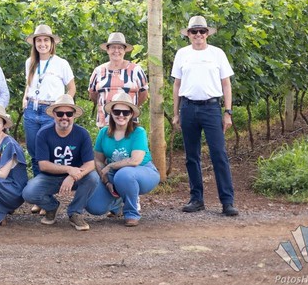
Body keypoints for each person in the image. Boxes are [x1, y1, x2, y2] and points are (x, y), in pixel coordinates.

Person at [172, 16, 238, 217]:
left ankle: (227, 201)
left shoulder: (217, 54)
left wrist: (227, 112)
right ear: (188, 34)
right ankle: (196, 199)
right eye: (194, 31)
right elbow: (177, 85)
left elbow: (226, 84)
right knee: (192, 156)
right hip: (188, 108)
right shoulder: (182, 54)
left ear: (207, 33)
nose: (198, 35)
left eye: (202, 31)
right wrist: (176, 113)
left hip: (211, 108)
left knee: (219, 154)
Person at [21, 94, 100, 230]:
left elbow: (90, 164)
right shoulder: (43, 133)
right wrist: (68, 169)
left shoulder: (82, 134)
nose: (64, 117)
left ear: (74, 116)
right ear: (54, 114)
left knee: (93, 177)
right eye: (60, 113)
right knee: (29, 192)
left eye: (69, 114)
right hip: (50, 177)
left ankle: (75, 212)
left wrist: (72, 176)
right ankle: (52, 207)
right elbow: (43, 165)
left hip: (76, 177)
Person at [86, 93, 160, 227]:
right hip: (114, 175)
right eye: (117, 111)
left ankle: (131, 212)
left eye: (125, 112)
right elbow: (98, 160)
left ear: (131, 114)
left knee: (124, 174)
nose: (121, 115)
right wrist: (106, 181)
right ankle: (117, 203)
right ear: (111, 113)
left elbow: (135, 161)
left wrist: (111, 166)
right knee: (94, 207)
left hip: (142, 171)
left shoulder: (138, 132)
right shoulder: (103, 133)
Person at [22, 24, 76, 178]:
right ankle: (38, 184)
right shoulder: (30, 62)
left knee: (49, 149)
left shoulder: (61, 63)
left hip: (51, 110)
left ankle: (51, 182)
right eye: (39, 40)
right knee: (34, 150)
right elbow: (29, 84)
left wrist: (63, 107)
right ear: (34, 43)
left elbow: (71, 88)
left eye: (46, 40)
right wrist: (24, 98)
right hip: (32, 109)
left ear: (52, 43)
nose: (42, 44)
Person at [88, 32, 149, 129]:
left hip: (128, 122)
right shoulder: (98, 71)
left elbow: (144, 94)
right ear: (108, 50)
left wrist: (129, 108)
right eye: (113, 47)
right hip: (105, 122)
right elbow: (93, 94)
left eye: (120, 48)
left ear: (124, 51)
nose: (116, 50)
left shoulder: (136, 70)